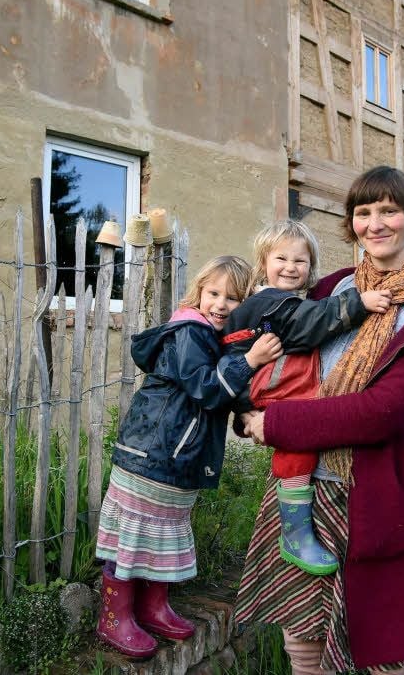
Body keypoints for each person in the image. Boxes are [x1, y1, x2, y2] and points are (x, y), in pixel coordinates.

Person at [234, 166, 404, 675]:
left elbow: (381, 413)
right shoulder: (330, 288)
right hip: (308, 489)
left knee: (381, 655)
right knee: (303, 643)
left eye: (388, 210)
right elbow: (270, 352)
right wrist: (239, 401)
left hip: (381, 499)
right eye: (363, 212)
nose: (375, 223)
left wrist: (272, 425)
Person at [94, 255, 282, 658]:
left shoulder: (215, 340)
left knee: (160, 536)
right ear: (199, 292)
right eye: (214, 293)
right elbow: (205, 388)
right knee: (134, 537)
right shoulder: (189, 334)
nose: (221, 304)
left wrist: (249, 410)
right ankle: (114, 617)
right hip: (151, 455)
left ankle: (152, 607)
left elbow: (227, 395)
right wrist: (250, 361)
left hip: (175, 460)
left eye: (233, 299)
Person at [222, 219, 392, 576]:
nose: (290, 267)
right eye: (281, 258)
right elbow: (307, 324)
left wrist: (244, 410)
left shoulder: (274, 303)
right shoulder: (273, 304)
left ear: (310, 268)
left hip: (259, 386)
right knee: (296, 441)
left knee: (298, 439)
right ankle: (295, 533)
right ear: (263, 264)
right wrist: (357, 303)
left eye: (300, 261)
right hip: (271, 386)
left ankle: (297, 525)